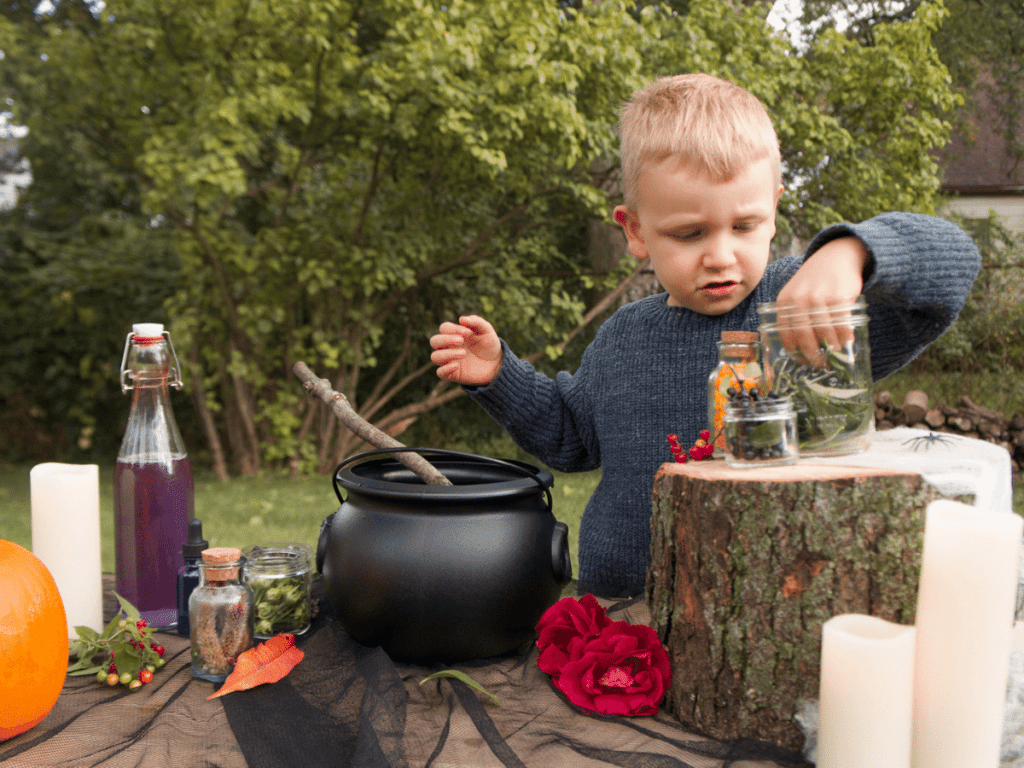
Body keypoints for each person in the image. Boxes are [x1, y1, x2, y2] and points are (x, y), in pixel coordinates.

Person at [429, 73, 981, 598]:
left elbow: (955, 266)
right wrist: (501, 375)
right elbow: (572, 437)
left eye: (744, 226)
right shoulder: (625, 337)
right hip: (624, 609)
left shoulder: (803, 308)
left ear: (774, 210)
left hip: (763, 613)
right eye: (690, 233)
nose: (721, 256)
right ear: (637, 231)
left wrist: (850, 252)